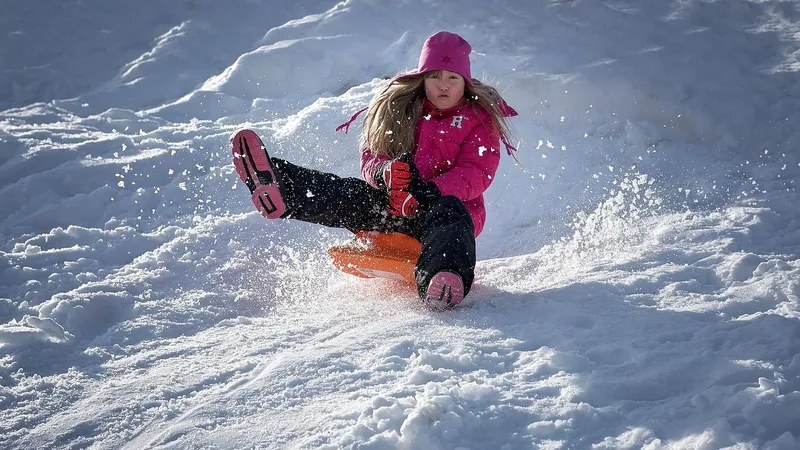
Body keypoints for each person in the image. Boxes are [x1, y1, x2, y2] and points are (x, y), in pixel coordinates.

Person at [231, 31, 517, 309]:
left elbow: (476, 172)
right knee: (352, 194)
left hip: (440, 210)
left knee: (452, 217)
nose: (443, 85)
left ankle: (443, 277)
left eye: (452, 78)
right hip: (394, 204)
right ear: (422, 79)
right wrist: (385, 173)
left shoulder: (477, 119)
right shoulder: (402, 109)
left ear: (465, 82)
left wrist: (428, 190)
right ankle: (283, 188)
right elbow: (372, 156)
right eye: (434, 76)